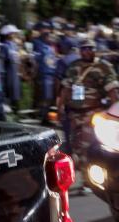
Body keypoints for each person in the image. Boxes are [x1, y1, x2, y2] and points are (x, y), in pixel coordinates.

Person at [60, 39, 119, 170]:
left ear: (95, 50)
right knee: (75, 146)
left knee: (89, 146)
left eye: (90, 48)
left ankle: (89, 179)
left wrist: (116, 113)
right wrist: (60, 107)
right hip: (74, 113)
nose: (86, 51)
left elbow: (112, 91)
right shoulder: (73, 66)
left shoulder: (104, 67)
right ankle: (82, 176)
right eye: (83, 49)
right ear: (79, 51)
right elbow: (65, 88)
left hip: (92, 113)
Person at [32, 21, 58, 124]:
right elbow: (35, 59)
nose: (47, 32)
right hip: (44, 74)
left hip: (52, 73)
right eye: (44, 29)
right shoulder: (37, 43)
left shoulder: (50, 46)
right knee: (46, 96)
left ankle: (46, 117)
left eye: (48, 30)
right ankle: (43, 118)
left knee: (50, 97)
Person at [0, 24, 22, 113]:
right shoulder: (4, 46)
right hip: (8, 72)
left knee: (15, 91)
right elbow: (3, 60)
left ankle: (14, 108)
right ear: (8, 34)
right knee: (8, 90)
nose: (15, 35)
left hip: (15, 71)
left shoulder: (14, 45)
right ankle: (7, 110)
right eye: (13, 33)